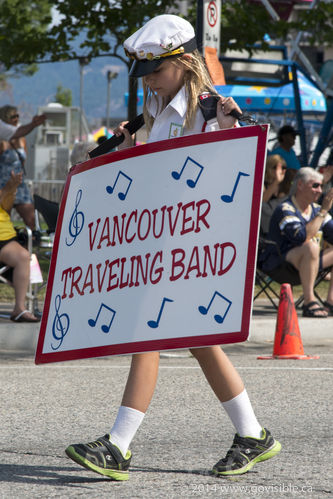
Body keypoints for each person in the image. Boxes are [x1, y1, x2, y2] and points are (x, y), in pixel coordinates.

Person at [65, 14, 281, 480]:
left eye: (157, 72)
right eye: (145, 75)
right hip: (163, 245)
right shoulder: (154, 115)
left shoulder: (211, 111)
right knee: (199, 343)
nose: (151, 82)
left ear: (183, 62)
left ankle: (119, 445)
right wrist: (118, 152)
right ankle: (253, 434)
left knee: (150, 332)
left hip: (191, 247)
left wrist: (227, 130)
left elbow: (233, 172)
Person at [261, 167, 333, 317]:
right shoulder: (285, 209)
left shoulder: (316, 210)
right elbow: (300, 237)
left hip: (309, 264)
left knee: (312, 249)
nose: (320, 190)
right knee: (310, 247)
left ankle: (331, 302)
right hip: (280, 264)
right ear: (300, 185)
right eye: (315, 186)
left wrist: (321, 213)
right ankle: (309, 301)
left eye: (321, 186)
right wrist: (323, 212)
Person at [0, 171, 40, 322]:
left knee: (23, 256)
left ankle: (19, 308)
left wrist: (11, 191)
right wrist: (8, 187)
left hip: (5, 236)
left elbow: (6, 208)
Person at [0, 106, 35, 229]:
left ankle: (28, 245)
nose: (16, 119)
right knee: (5, 223)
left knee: (31, 220)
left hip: (20, 184)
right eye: (12, 116)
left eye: (17, 116)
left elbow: (23, 160)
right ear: (4, 119)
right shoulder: (2, 140)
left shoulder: (22, 138)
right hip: (4, 184)